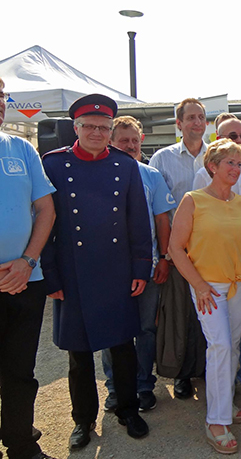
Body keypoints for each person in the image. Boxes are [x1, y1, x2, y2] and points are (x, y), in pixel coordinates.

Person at [41, 94, 152, 449]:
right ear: (76, 128)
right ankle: (83, 420)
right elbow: (43, 222)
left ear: (110, 131)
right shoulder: (55, 164)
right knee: (78, 354)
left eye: (103, 128)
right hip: (72, 271)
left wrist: (140, 267)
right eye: (89, 126)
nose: (96, 132)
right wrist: (50, 275)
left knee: (123, 347)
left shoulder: (125, 164)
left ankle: (128, 408)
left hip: (117, 270)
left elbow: (137, 221)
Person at [169, 139, 241, 454]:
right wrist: (198, 285)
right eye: (229, 163)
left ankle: (224, 404)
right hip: (208, 289)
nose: (236, 169)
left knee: (233, 346)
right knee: (220, 346)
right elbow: (175, 248)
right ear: (213, 166)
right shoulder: (192, 200)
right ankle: (216, 421)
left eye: (239, 164)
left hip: (240, 285)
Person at [192, 112, 241, 403]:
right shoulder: (199, 186)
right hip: (212, 276)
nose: (238, 141)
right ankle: (218, 411)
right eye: (231, 137)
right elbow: (188, 236)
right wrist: (198, 283)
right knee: (221, 344)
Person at [101, 116, 176, 413]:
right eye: (124, 140)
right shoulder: (99, 175)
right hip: (109, 270)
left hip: (148, 267)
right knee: (112, 330)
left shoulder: (152, 175)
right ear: (111, 142)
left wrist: (166, 258)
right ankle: (116, 388)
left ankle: (144, 385)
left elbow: (162, 220)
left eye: (135, 140)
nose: (130, 146)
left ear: (141, 141)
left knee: (146, 329)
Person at [0, 78, 57, 459]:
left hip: (25, 280)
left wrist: (27, 261)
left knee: (20, 370)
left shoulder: (21, 147)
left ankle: (21, 443)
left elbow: (45, 210)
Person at [149, 98, 208, 399]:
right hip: (178, 251)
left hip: (210, 250)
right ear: (179, 123)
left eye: (201, 117)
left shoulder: (218, 155)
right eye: (191, 118)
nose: (197, 123)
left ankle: (205, 368)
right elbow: (156, 209)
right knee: (180, 315)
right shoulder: (162, 159)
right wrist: (165, 253)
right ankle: (183, 373)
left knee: (208, 311)